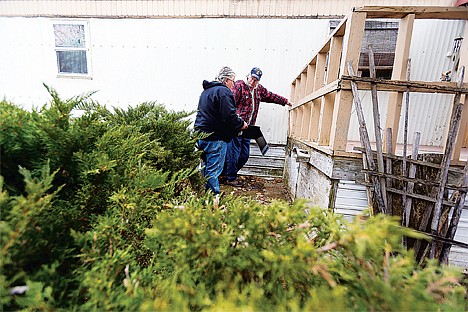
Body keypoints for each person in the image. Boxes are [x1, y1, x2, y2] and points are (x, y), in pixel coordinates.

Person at [224, 67, 291, 186]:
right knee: (233, 153)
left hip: (248, 128)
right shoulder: (239, 86)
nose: (253, 81)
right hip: (237, 127)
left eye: (256, 80)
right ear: (248, 76)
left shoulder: (258, 90)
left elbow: (271, 96)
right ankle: (230, 177)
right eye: (252, 78)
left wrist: (285, 101)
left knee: (244, 155)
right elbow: (230, 105)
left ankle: (227, 173)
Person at [194, 66, 248, 194]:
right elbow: (229, 116)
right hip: (215, 138)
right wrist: (241, 124)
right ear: (226, 80)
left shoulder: (206, 92)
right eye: (233, 81)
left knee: (205, 168)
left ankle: (203, 195)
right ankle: (213, 201)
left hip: (201, 136)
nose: (234, 85)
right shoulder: (224, 92)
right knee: (213, 171)